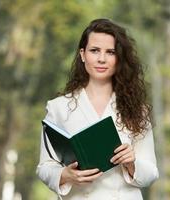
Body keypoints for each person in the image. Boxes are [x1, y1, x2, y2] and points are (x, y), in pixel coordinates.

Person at [36, 18, 158, 200]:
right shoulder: (58, 107)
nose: (102, 59)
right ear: (83, 54)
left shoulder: (138, 110)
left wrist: (132, 163)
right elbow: (44, 166)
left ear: (119, 58)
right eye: (95, 50)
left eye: (110, 52)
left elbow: (151, 173)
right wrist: (65, 175)